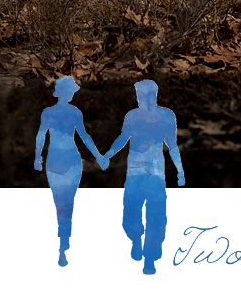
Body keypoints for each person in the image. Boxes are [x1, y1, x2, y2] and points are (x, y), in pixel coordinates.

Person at [101, 79, 183, 275]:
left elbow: (172, 145)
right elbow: (123, 138)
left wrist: (180, 170)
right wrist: (108, 154)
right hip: (135, 172)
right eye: (138, 96)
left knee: (156, 217)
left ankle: (150, 259)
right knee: (130, 214)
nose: (140, 99)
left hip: (155, 174)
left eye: (143, 96)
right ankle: (136, 239)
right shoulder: (132, 116)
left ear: (153, 95)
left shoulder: (166, 116)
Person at [32, 75, 107, 267]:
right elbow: (84, 137)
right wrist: (98, 156)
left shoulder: (51, 113)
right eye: (71, 91)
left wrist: (38, 157)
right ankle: (63, 242)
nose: (73, 94)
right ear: (65, 92)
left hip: (59, 159)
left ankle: (63, 242)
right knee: (67, 202)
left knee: (61, 202)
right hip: (68, 159)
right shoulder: (72, 113)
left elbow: (42, 136)